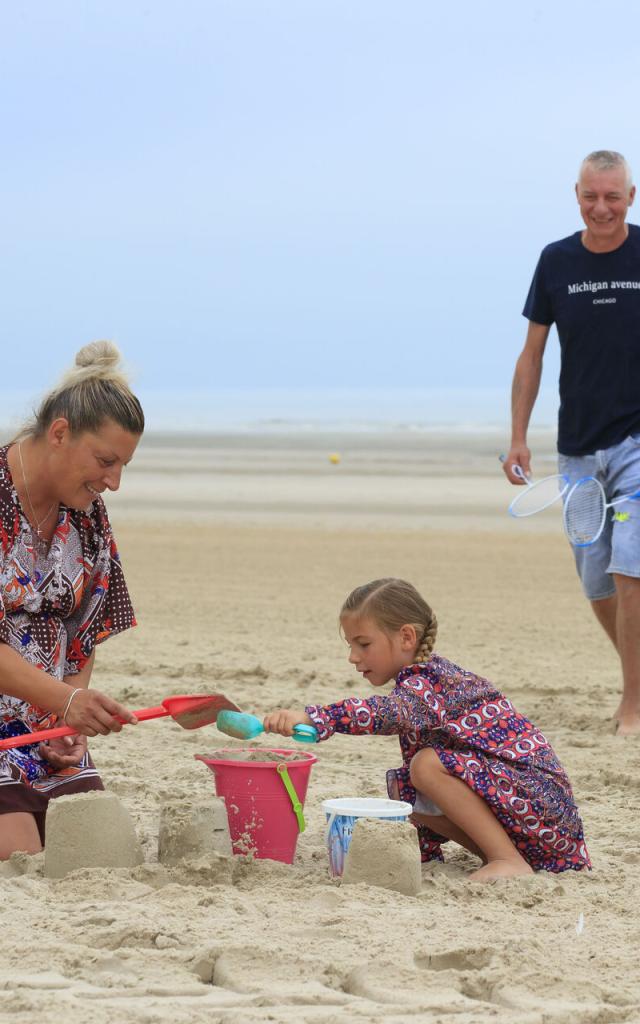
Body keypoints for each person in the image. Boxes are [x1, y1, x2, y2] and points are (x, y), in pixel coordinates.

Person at [263, 578, 590, 880]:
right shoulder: (417, 681)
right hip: (526, 822)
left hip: (545, 812)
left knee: (426, 766)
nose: (352, 657)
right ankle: (504, 856)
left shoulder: (430, 681)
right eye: (350, 645)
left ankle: (506, 859)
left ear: (406, 637)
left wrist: (316, 719)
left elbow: (386, 713)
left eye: (363, 644)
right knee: (406, 786)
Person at [503, 149, 640, 736]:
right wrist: (517, 437)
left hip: (637, 443)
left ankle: (633, 704)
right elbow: (532, 354)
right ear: (577, 195)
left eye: (614, 196)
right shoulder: (555, 261)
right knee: (598, 580)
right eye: (592, 196)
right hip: (578, 449)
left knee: (632, 568)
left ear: (631, 196)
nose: (602, 207)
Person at [0, 340, 144, 859]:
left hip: (41, 725)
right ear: (59, 432)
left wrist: (63, 726)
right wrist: (64, 702)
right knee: (20, 850)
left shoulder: (87, 516)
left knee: (91, 847)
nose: (114, 482)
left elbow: (85, 632)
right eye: (105, 461)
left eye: (123, 465)